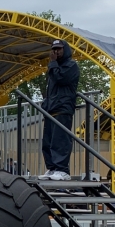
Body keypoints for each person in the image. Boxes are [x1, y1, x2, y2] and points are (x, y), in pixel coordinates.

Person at [39, 39, 80, 181]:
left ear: (65, 50)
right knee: (48, 141)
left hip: (63, 107)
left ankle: (62, 169)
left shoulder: (71, 66)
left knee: (60, 140)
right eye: (54, 49)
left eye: (59, 49)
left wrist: (53, 64)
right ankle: (52, 168)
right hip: (51, 108)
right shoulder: (53, 68)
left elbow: (61, 79)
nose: (56, 51)